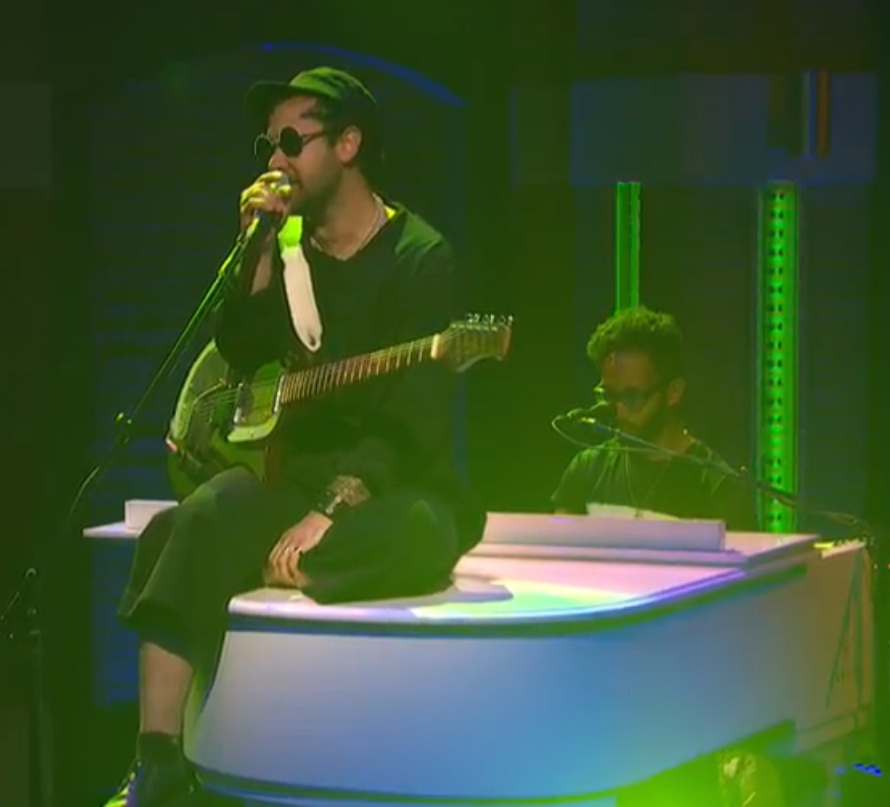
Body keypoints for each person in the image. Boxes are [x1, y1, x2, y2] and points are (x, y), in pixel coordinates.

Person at [103, 67, 484, 807]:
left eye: (290, 140)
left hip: (391, 480)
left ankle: (287, 564)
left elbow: (415, 413)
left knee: (418, 533)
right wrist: (255, 247)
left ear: (347, 144)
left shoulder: (420, 254)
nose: (275, 159)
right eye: (268, 145)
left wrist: (332, 508)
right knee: (189, 523)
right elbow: (243, 351)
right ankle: (158, 763)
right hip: (292, 471)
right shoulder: (287, 252)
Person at [552, 306, 758, 529]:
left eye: (632, 398)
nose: (618, 411)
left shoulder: (717, 485)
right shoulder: (587, 469)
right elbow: (560, 544)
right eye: (608, 395)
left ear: (673, 392)